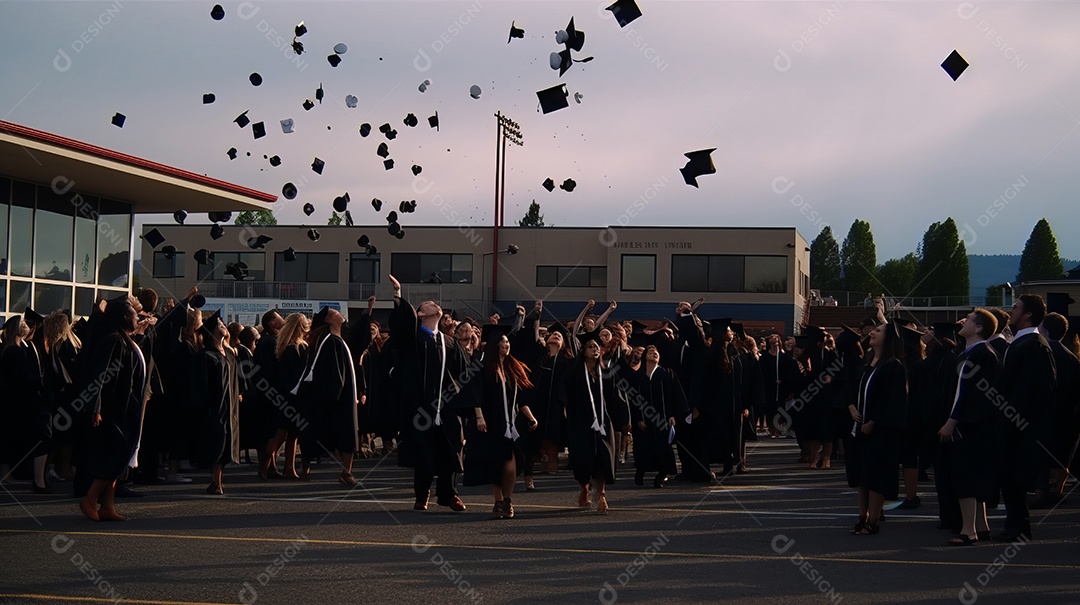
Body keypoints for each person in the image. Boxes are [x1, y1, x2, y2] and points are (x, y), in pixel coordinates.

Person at [388, 274, 467, 512]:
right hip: (421, 407)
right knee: (423, 451)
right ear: (421, 314)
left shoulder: (449, 343)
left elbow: (463, 374)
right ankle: (422, 495)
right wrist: (398, 296)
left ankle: (449, 494)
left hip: (447, 409)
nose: (436, 305)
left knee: (450, 450)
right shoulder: (413, 339)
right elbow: (401, 326)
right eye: (429, 304)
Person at [78, 296, 147, 521]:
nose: (138, 319)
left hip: (127, 408)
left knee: (121, 456)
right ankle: (90, 498)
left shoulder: (125, 339)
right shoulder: (113, 341)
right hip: (113, 409)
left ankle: (107, 505)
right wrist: (95, 406)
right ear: (125, 317)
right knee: (114, 455)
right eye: (135, 316)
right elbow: (99, 375)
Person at [996, 294, 1057, 541]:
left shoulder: (1034, 345)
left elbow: (1034, 390)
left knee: (1016, 479)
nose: (1012, 311)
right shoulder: (1020, 343)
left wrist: (1013, 419)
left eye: (1016, 307)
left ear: (1028, 314)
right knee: (1010, 480)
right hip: (1014, 423)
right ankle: (1016, 525)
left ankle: (1019, 527)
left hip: (1020, 425)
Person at [937, 309, 999, 545]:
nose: (962, 322)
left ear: (980, 328)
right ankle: (981, 526)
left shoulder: (979, 354)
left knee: (965, 477)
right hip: (973, 424)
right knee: (972, 475)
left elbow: (968, 393)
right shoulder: (975, 353)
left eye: (969, 320)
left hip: (970, 426)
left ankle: (968, 530)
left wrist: (951, 422)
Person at [465, 330, 538, 519]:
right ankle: (499, 501)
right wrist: (479, 417)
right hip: (491, 424)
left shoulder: (513, 369)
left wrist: (531, 417)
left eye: (507, 342)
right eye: (503, 341)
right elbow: (476, 394)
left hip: (510, 426)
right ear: (495, 344)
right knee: (496, 465)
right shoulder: (483, 367)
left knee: (511, 467)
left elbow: (521, 400)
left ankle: (507, 499)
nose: (506, 344)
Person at [846, 321, 907, 535]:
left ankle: (873, 521)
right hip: (860, 429)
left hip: (880, 432)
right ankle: (862, 517)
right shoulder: (868, 361)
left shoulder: (893, 366)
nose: (871, 332)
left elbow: (893, 401)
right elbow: (858, 390)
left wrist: (873, 422)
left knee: (875, 476)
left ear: (889, 337)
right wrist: (852, 407)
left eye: (878, 331)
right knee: (862, 476)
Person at [298, 307, 361, 487]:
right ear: (329, 319)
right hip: (340, 397)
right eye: (335, 312)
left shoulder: (334, 340)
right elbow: (334, 373)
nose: (340, 313)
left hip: (340, 396)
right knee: (346, 433)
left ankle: (342, 471)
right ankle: (346, 473)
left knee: (337, 433)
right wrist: (337, 396)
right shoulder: (331, 342)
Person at [565, 338, 629, 513]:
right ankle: (584, 488)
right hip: (581, 422)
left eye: (597, 347)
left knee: (603, 458)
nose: (595, 349)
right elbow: (566, 396)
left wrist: (623, 420)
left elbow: (615, 397)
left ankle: (601, 496)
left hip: (602, 422)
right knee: (583, 458)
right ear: (583, 351)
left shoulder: (606, 373)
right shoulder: (575, 373)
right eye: (590, 346)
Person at [194, 310, 240, 495]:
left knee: (227, 443)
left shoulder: (228, 354)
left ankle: (217, 481)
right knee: (217, 443)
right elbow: (200, 386)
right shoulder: (206, 356)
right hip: (214, 408)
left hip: (230, 408)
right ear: (212, 331)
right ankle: (215, 481)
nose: (223, 325)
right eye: (219, 324)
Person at [631, 345, 687, 488]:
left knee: (664, 449)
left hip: (663, 420)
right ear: (645, 358)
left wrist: (673, 415)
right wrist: (637, 418)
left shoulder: (667, 374)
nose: (654, 353)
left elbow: (676, 396)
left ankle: (661, 476)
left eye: (656, 352)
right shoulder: (637, 376)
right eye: (650, 352)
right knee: (643, 447)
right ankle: (640, 471)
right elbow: (633, 399)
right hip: (644, 421)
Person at [1039, 312, 1079, 505]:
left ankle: (1044, 492)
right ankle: (1057, 490)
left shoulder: (1042, 352)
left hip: (1045, 415)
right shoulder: (1072, 358)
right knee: (1061, 456)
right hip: (1067, 416)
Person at [268, 313, 309, 479]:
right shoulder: (298, 348)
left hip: (284, 395)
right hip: (294, 396)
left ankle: (287, 467)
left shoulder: (284, 347)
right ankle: (267, 462)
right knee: (286, 434)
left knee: (289, 434)